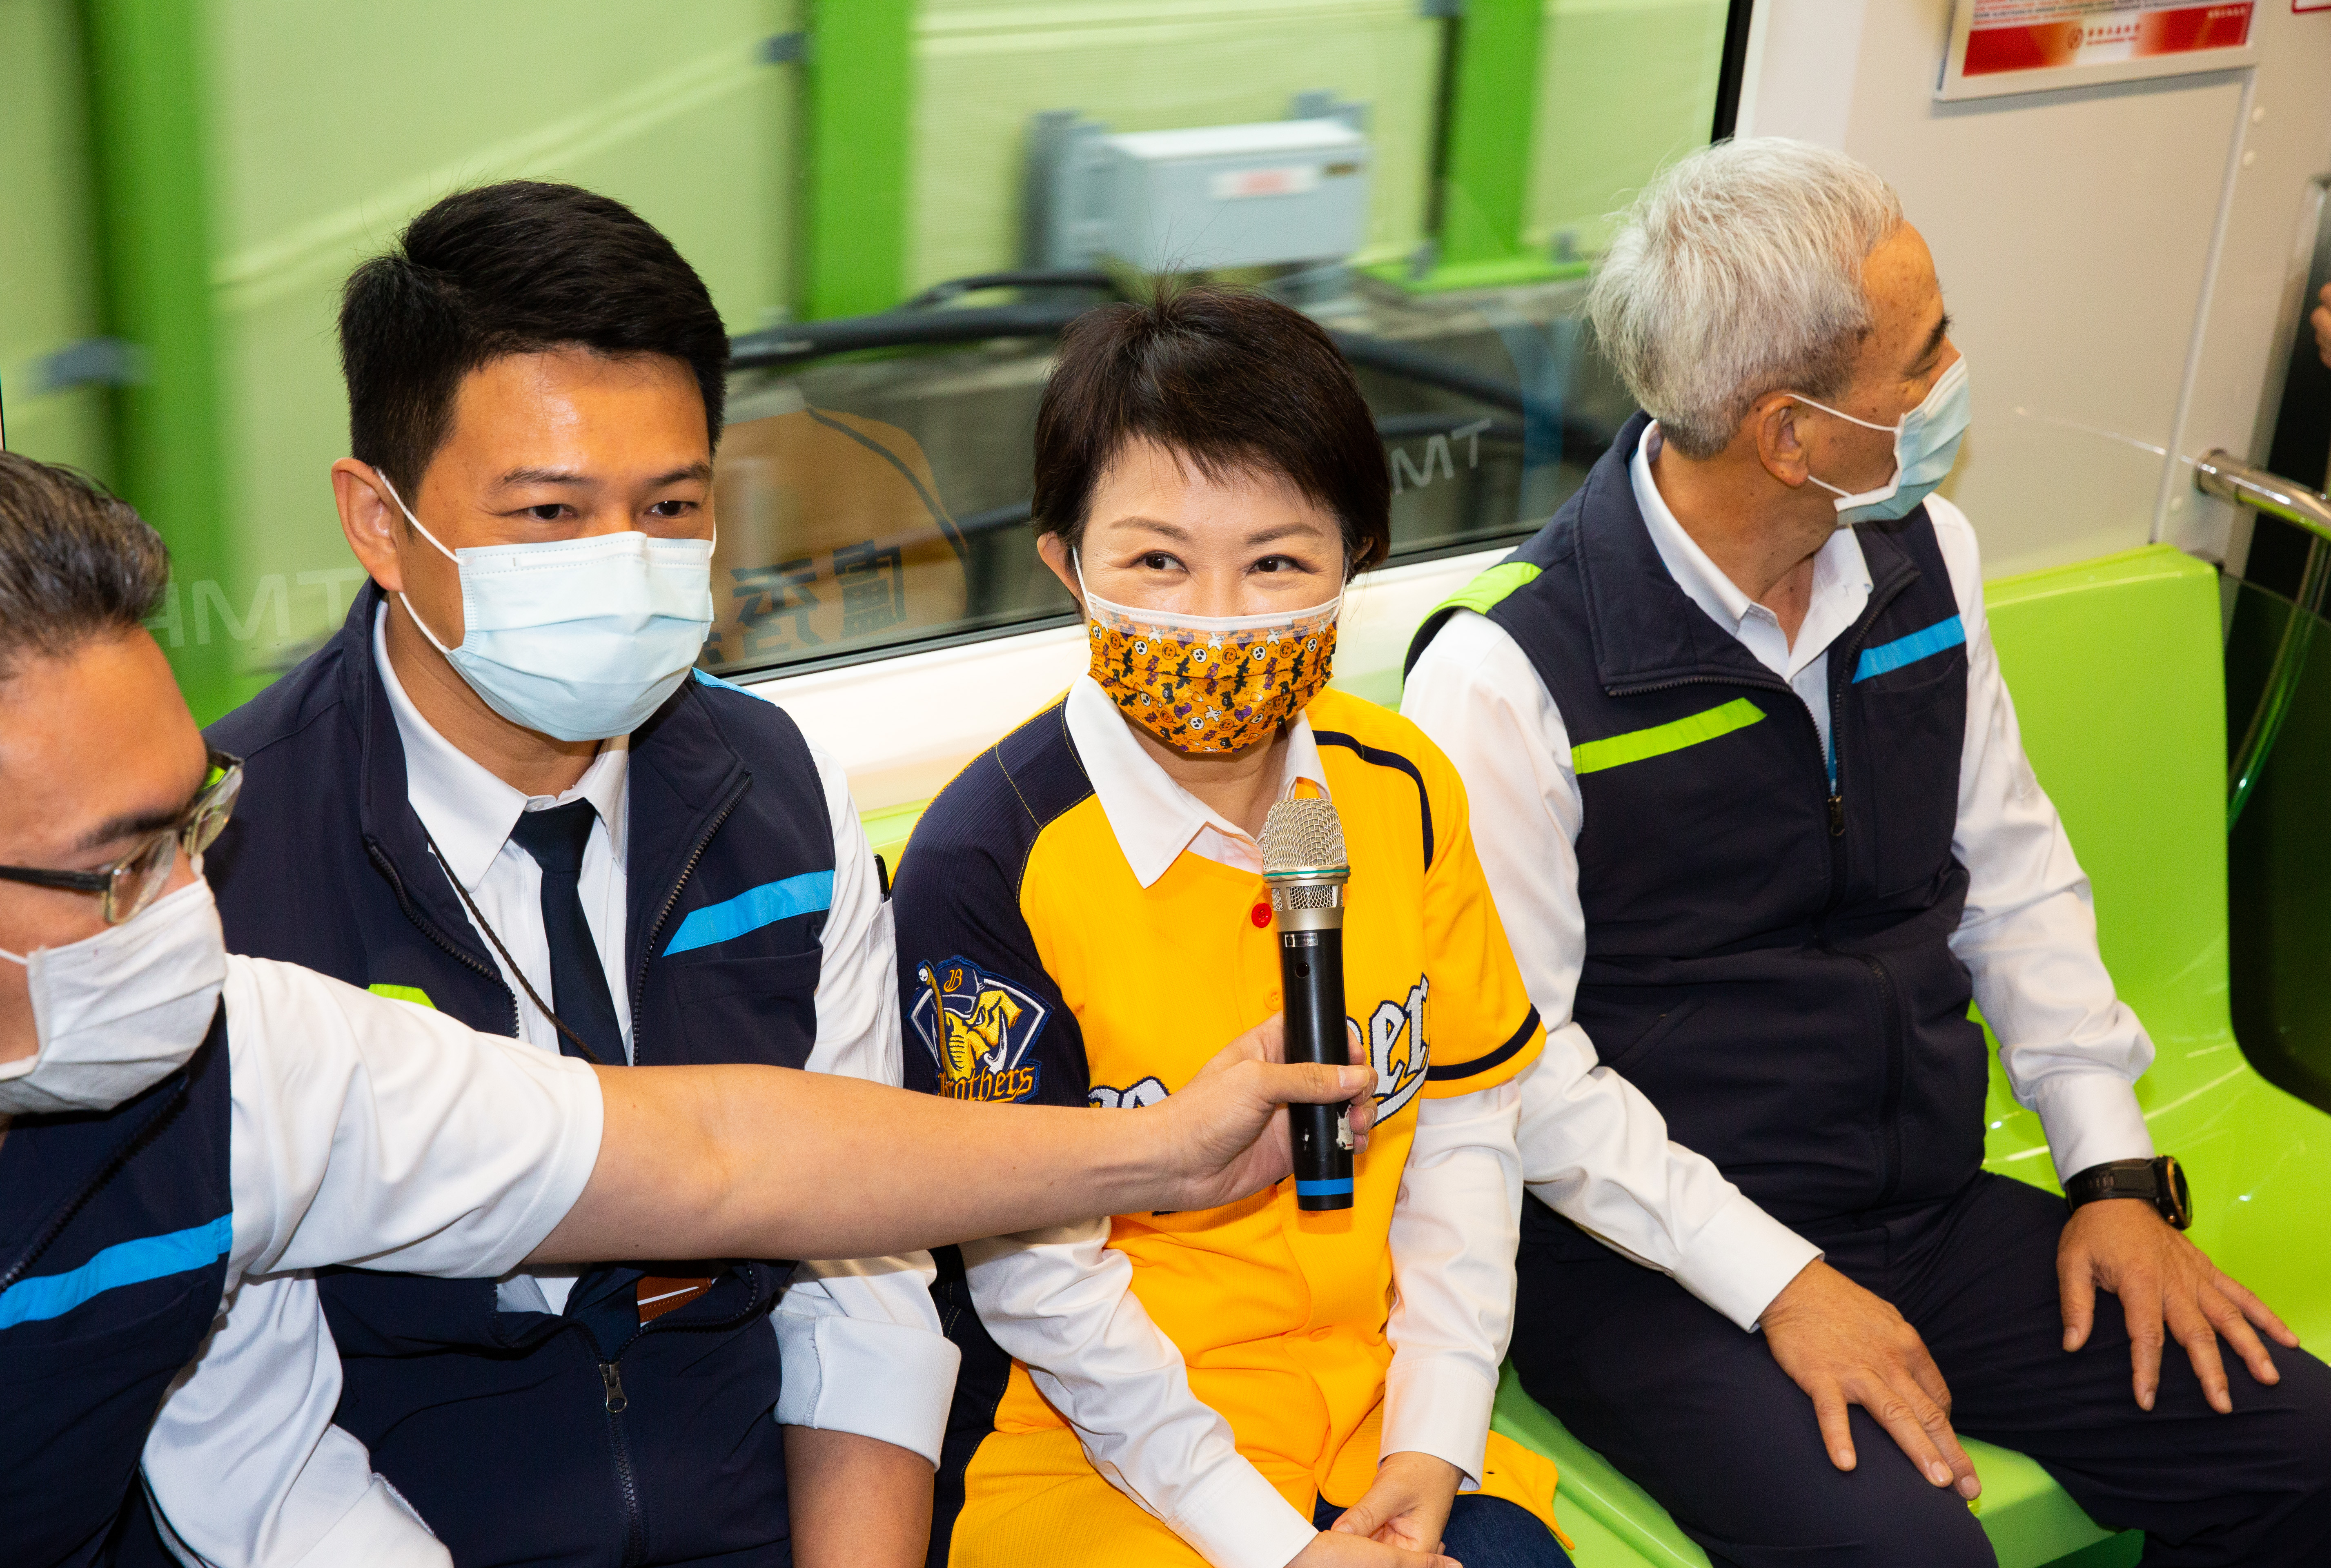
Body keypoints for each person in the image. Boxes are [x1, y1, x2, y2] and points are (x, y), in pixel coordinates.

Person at [0, 449, 1376, 1568]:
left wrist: (1166, 1148)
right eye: (124, 868)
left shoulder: (246, 1064)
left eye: (195, 829)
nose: (191, 908)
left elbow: (726, 1160)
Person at [1401, 138, 2331, 1566]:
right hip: (1651, 1264)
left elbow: (2012, 876)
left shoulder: (1926, 560)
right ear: (1791, 436)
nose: (1956, 374)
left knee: (2314, 1461)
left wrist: (2111, 1173)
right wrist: (1782, 1283)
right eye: (1925, 355)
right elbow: (1519, 1070)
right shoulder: (1505, 677)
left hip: (1926, 1205)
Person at [183, 180, 921, 1568]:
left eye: (671, 505)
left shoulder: (779, 798)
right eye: (548, 513)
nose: (623, 566)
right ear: (380, 523)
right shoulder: (223, 872)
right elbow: (239, 1429)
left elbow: (865, 1284)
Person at [894, 289, 1570, 1568]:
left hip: (1375, 1421)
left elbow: (1468, 1129)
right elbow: (1038, 1277)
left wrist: (1435, 1439)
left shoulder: (1403, 786)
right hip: (1105, 1457)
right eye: (1157, 561)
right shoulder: (986, 860)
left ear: (1355, 564)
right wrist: (1273, 1546)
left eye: (1277, 563)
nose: (1216, 614)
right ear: (1066, 565)